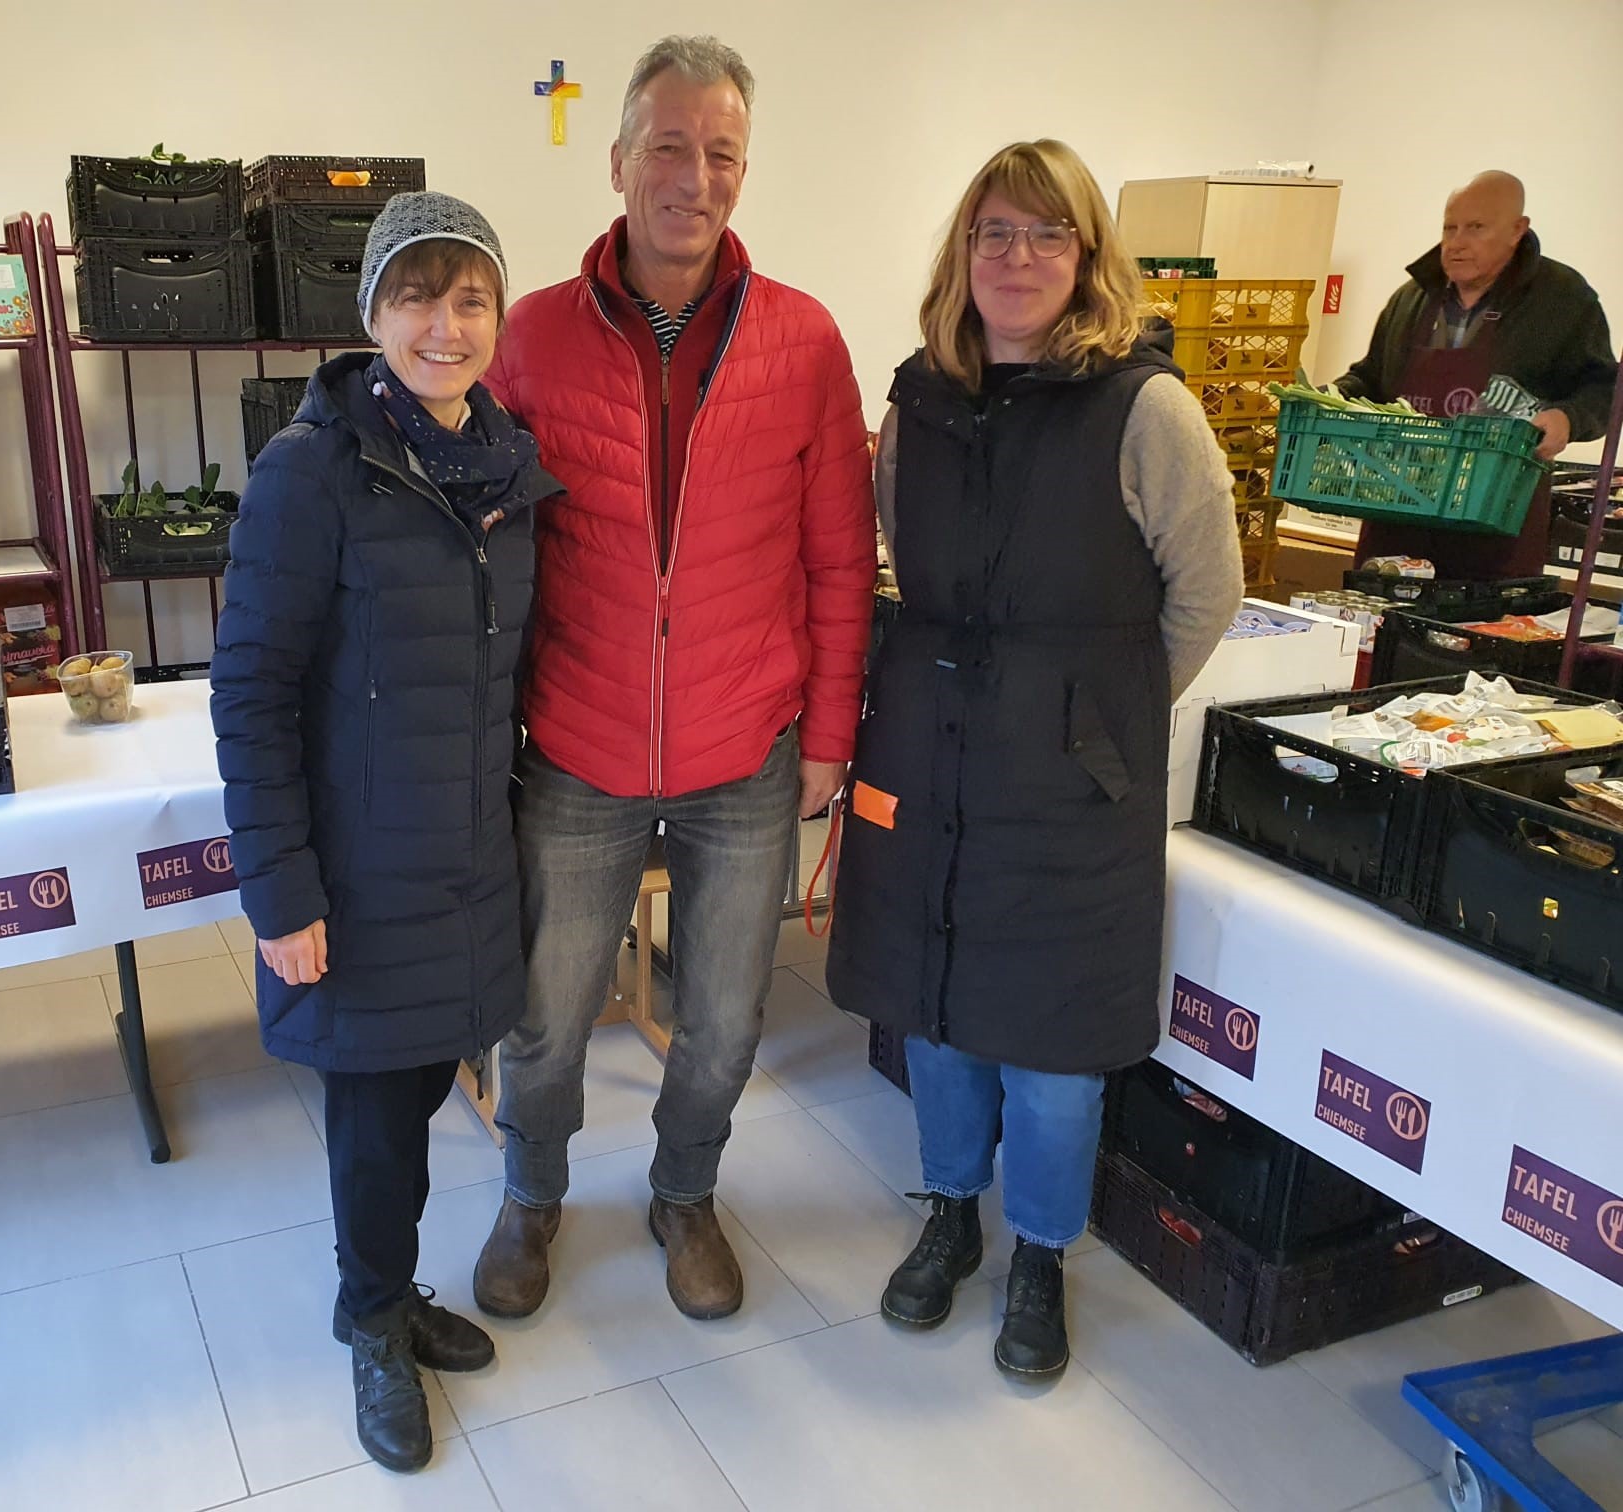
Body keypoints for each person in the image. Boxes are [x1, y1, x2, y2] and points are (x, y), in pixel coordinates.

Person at [473, 34, 877, 1322]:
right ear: (618, 161)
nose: (692, 178)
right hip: (578, 740)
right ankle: (531, 1194)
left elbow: (837, 557)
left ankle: (685, 1193)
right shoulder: (531, 337)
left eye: (720, 154)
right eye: (667, 147)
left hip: (746, 746)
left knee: (724, 1017)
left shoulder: (805, 341)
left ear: (743, 173)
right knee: (546, 1013)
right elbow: (491, 551)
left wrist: (829, 734)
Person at [824, 139, 1243, 1379]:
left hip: (1071, 789)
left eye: (1046, 233)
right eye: (994, 233)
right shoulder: (916, 407)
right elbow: (897, 556)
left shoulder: (1145, 409)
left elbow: (1206, 592)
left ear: (1087, 255)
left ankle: (1042, 1253)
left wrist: (1096, 720)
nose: (1017, 257)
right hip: (933, 756)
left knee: (1056, 1049)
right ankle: (952, 1211)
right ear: (964, 253)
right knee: (941, 1011)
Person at [210, 192, 560, 1473]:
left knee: (416, 1095)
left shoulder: (507, 470)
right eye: (417, 297)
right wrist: (280, 890)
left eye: (471, 299)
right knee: (372, 1123)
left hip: (465, 860)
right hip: (355, 875)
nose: (445, 325)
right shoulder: (313, 471)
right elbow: (250, 692)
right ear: (372, 313)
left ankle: (388, 1291)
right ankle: (371, 1321)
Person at [1338, 170, 1617, 577]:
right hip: (1397, 514)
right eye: (1449, 228)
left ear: (1517, 230)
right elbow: (1372, 379)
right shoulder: (1411, 299)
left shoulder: (1563, 299)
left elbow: (1604, 388)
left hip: (1497, 523)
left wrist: (1568, 418)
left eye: (1476, 228)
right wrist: (1332, 396)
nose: (1456, 242)